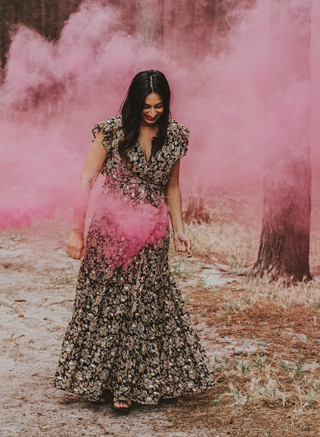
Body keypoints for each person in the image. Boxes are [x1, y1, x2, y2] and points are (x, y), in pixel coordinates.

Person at [54, 70, 215, 411]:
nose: (153, 112)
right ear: (134, 102)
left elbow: (172, 187)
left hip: (152, 234)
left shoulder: (174, 136)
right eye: (146, 105)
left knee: (140, 306)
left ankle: (129, 386)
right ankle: (95, 382)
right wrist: (76, 231)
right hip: (109, 231)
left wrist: (180, 228)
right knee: (102, 305)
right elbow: (86, 180)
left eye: (159, 106)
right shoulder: (111, 131)